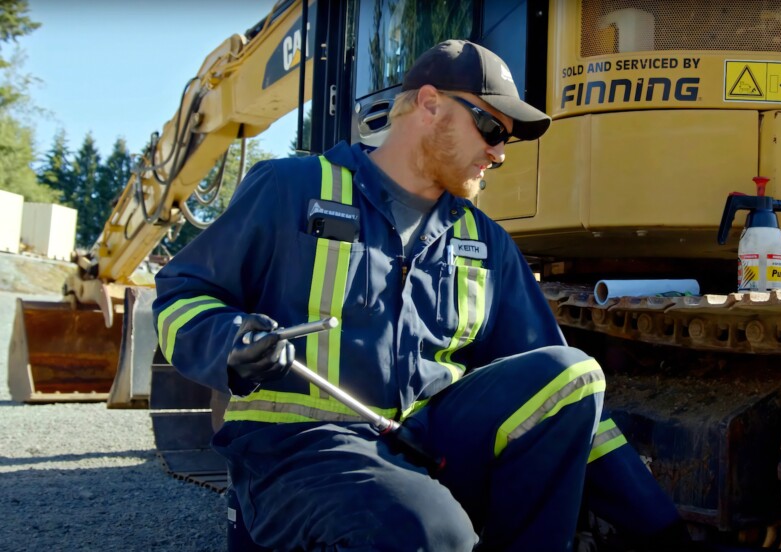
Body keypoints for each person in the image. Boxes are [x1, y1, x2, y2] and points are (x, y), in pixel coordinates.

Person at [154, 39, 686, 551]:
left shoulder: (484, 242)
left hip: (423, 446)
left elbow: (561, 396)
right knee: (427, 532)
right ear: (429, 104)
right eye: (489, 127)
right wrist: (233, 343)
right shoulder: (292, 189)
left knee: (572, 371)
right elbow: (183, 294)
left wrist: (664, 532)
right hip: (299, 447)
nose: (499, 153)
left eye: (507, 138)